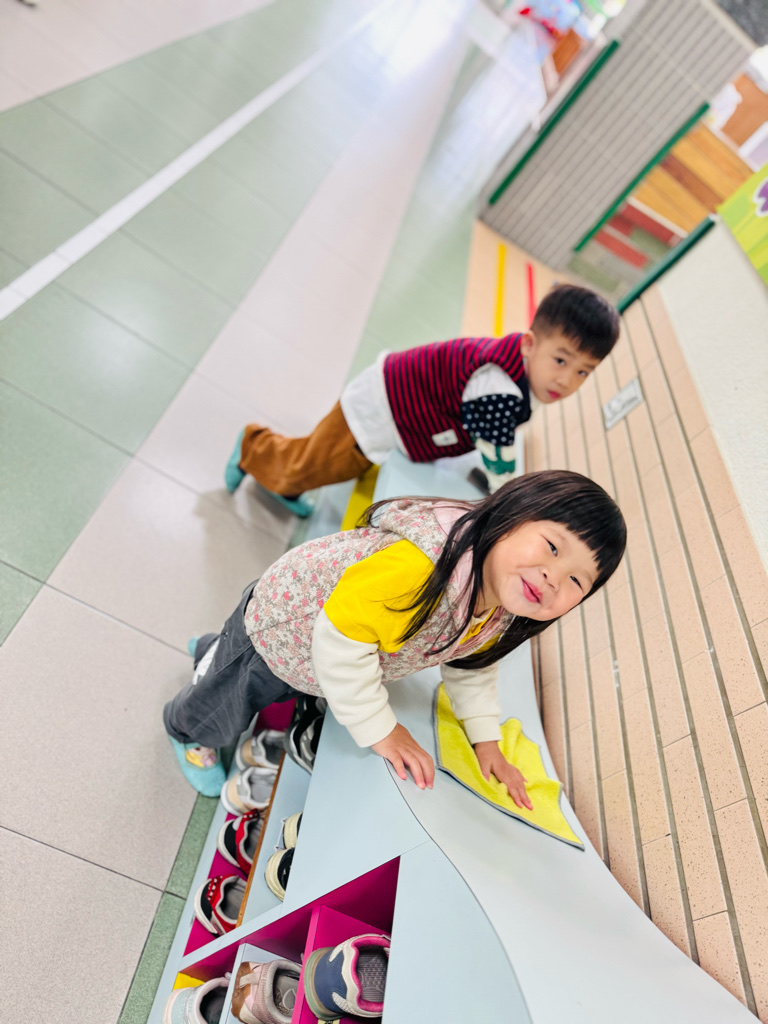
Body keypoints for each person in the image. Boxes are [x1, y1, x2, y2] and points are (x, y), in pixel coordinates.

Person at [164, 470, 626, 808]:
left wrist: (486, 739)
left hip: (314, 652)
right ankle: (188, 729)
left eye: (576, 581)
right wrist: (382, 730)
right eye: (552, 546)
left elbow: (471, 666)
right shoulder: (423, 567)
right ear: (513, 514)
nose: (552, 577)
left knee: (245, 671)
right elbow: (340, 642)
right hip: (283, 630)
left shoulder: (502, 602)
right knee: (231, 697)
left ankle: (214, 652)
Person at [223, 284, 620, 516]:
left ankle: (288, 480)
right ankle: (253, 446)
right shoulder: (499, 387)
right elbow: (498, 455)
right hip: (383, 404)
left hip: (400, 403)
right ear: (531, 343)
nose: (566, 380)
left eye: (583, 372)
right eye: (561, 360)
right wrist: (513, 500)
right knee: (325, 462)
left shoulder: (519, 366)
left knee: (331, 459)